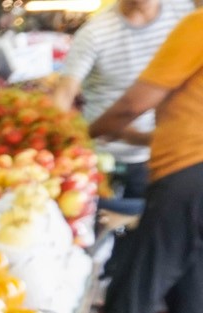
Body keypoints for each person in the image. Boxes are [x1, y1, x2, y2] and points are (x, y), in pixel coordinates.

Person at [65, 7, 203, 313]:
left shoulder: (198, 25)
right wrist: (135, 136)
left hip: (188, 176)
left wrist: (83, 134)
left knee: (140, 282)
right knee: (196, 291)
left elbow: (135, 101)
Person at [52, 0, 191, 201]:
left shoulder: (184, 13)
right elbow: (64, 95)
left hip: (167, 157)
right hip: (108, 160)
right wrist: (59, 146)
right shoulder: (95, 33)